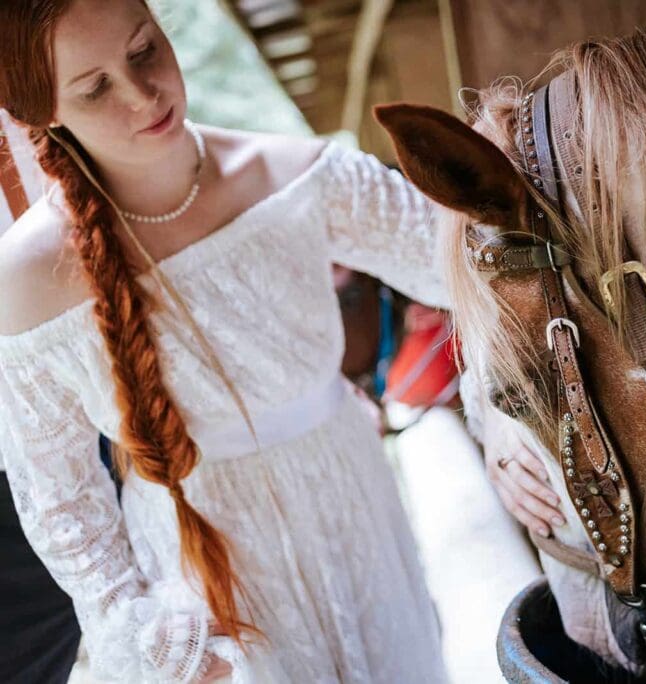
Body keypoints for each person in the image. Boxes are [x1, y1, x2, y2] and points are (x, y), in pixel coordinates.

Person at [0, 1, 449, 682]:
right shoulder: (28, 278)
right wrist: (142, 629)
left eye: (145, 50)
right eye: (95, 88)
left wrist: (507, 425)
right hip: (201, 583)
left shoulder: (297, 178)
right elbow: (61, 499)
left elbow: (476, 274)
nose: (143, 94)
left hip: (355, 516)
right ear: (46, 113)